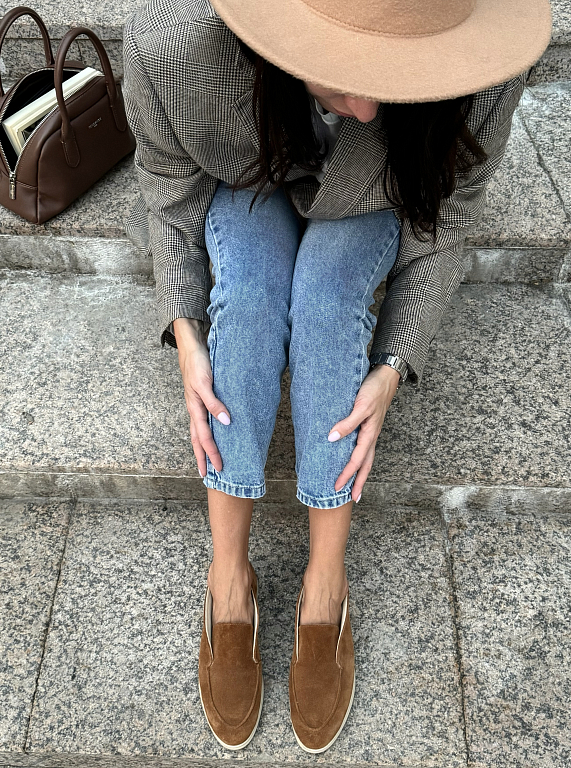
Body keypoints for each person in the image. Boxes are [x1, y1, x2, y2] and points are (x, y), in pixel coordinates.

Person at [122, 0, 552, 754]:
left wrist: (391, 365)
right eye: (347, 76)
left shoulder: (480, 72)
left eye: (391, 77)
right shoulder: (175, 50)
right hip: (250, 168)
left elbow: (450, 216)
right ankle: (229, 577)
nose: (370, 106)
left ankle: (326, 582)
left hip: (374, 188)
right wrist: (187, 330)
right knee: (248, 298)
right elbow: (168, 191)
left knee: (326, 298)